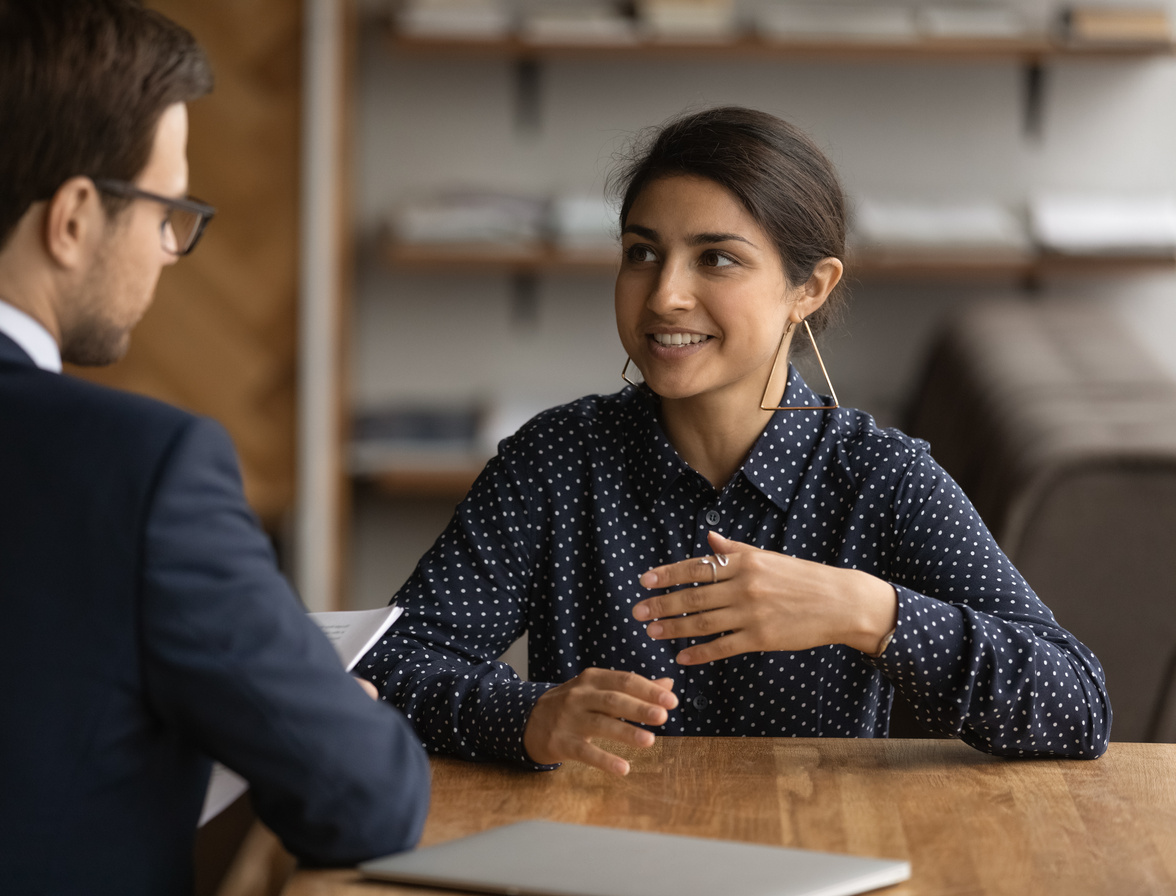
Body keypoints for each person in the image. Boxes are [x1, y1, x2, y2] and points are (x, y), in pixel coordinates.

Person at [0, 1, 428, 892]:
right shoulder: (145, 468)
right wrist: (332, 715)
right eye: (167, 209)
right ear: (72, 216)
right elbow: (367, 798)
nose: (170, 249)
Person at [358, 106, 1111, 776]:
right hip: (596, 862)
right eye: (641, 252)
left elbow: (1077, 706)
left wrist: (867, 610)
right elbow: (391, 665)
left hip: (812, 857)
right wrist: (527, 716)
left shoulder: (882, 478)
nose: (663, 296)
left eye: (716, 258)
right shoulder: (557, 459)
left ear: (808, 289)